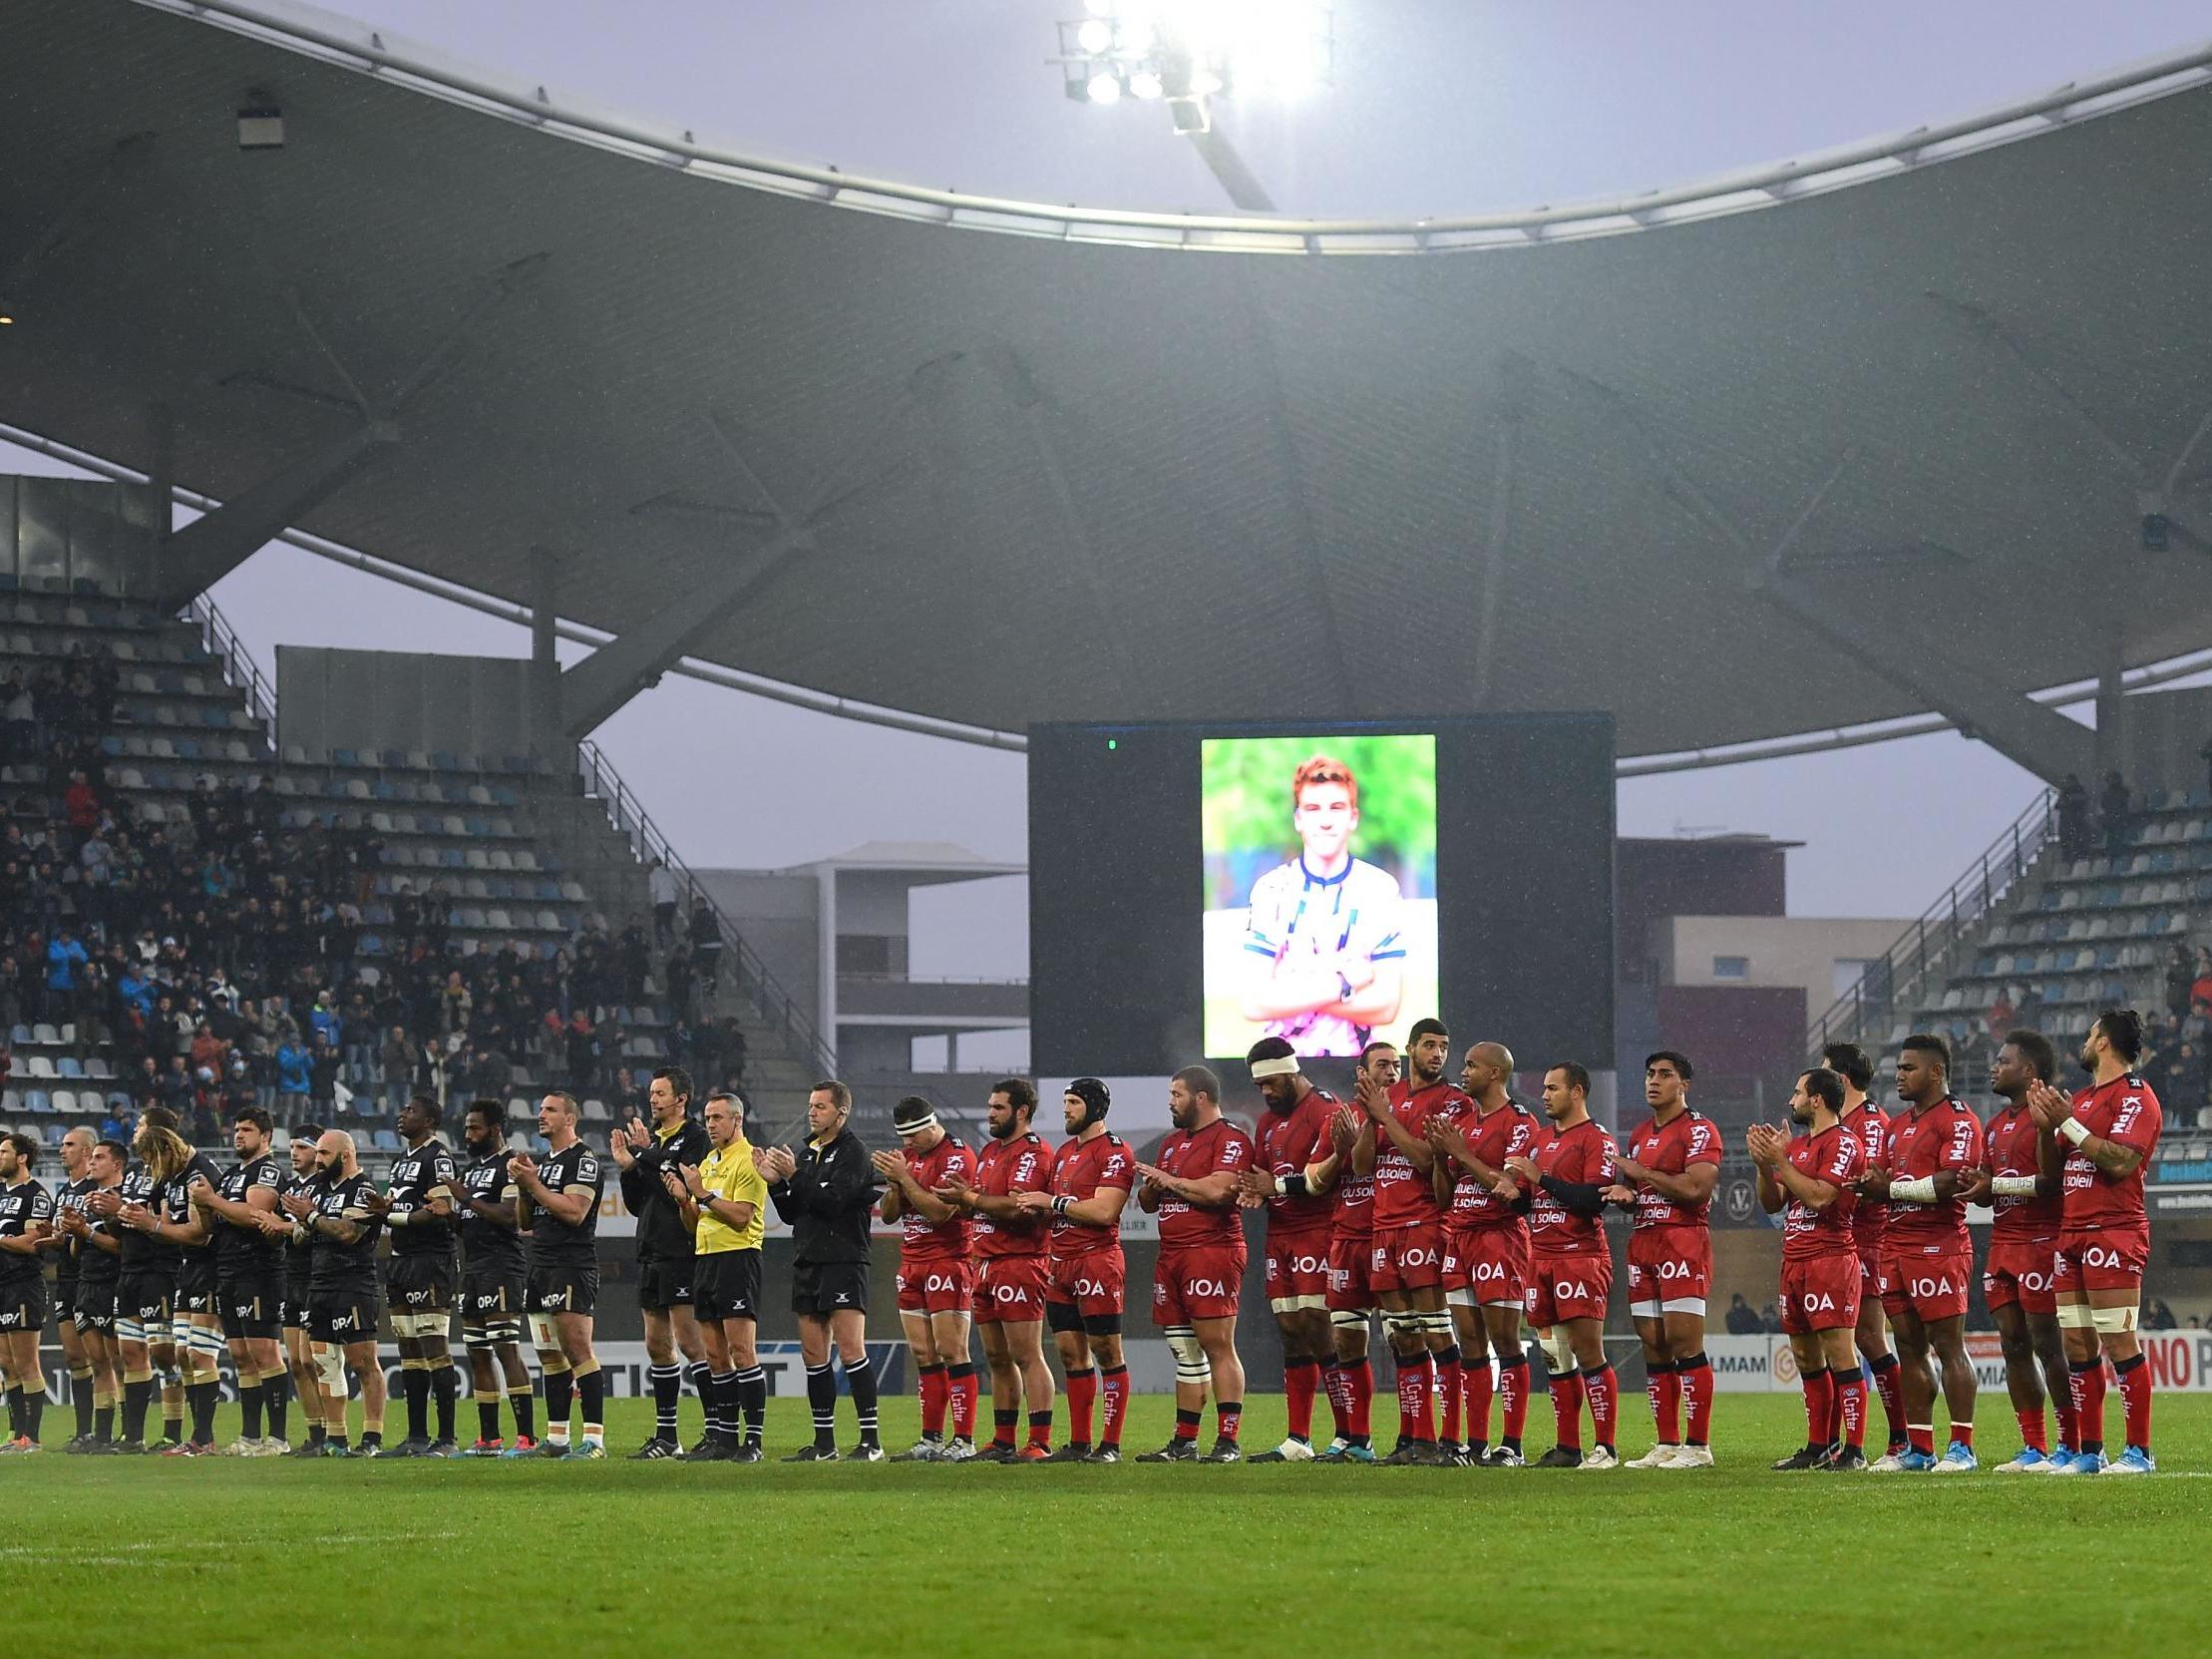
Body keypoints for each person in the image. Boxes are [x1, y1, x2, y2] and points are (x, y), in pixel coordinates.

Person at [2029, 1007, 2164, 1474]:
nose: (2084, 1043)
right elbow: (2053, 1173)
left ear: (2104, 1042)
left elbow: (2121, 1161)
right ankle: (2090, 1452)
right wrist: (2047, 1128)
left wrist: (2066, 1123)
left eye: (2090, 1035)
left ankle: (2139, 1453)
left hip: (2114, 1229)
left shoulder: (2135, 1096)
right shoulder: (2082, 1100)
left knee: (2119, 1341)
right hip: (2071, 1233)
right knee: (2077, 1346)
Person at [1235, 754, 1407, 1056]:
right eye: (1313, 809)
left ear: (1353, 817)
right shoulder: (1271, 889)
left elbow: (1386, 1006)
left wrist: (1292, 987)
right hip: (1283, 1071)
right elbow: (1253, 1002)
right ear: (1298, 819)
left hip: (1359, 1072)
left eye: (1336, 808)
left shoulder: (1380, 889)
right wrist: (1344, 980)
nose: (1325, 820)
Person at [1865, 1034, 1983, 1471]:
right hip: (1895, 1245)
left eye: (1908, 1068)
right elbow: (1877, 1180)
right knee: (1909, 1347)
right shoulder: (1897, 1127)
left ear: (1936, 1072)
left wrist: (1889, 1188)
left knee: (1949, 1345)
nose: (1898, 1075)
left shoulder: (1958, 1120)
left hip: (1939, 1245)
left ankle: (1962, 1447)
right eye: (1897, 1067)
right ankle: (1919, 1449)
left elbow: (1954, 1180)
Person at [1353, 1017, 1466, 1463]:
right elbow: (1363, 1166)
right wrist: (1370, 1119)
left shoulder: (1451, 1101)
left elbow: (1424, 1160)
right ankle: (1416, 1439)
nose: (1438, 1054)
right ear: (1410, 1049)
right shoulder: (1391, 1097)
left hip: (1423, 1224)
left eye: (1444, 1046)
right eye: (1430, 1045)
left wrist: (1384, 1118)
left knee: (1438, 1335)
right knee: (1403, 1338)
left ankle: (1451, 1440)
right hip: (1384, 1227)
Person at [1964, 1030, 2075, 1471]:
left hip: (2042, 1242)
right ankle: (2034, 1446)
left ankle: (2070, 1444)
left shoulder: (2049, 1114)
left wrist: (1995, 1184)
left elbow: (2051, 1185)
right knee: (2012, 1345)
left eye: (2003, 1060)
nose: (1994, 1066)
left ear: (2028, 1070)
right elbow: (1989, 1189)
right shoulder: (1995, 1126)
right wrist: (1975, 1186)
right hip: (2004, 1241)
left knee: (2049, 1345)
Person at [1235, 1037, 1348, 1462]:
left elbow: (1319, 1179)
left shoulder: (1326, 1110)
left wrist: (1272, 1186)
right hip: (1280, 1235)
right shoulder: (1267, 1122)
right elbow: (1262, 1174)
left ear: (1292, 1070)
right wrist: (1255, 1191)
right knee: (1291, 1335)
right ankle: (1298, 1439)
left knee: (1320, 1330)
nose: (1265, 1092)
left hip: (1318, 1231)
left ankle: (1349, 1435)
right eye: (1259, 1085)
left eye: (1271, 1082)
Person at [1133, 1064, 1254, 1462]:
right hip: (1172, 1253)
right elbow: (1153, 1203)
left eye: (1177, 1094)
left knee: (1217, 1345)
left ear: (1201, 1098)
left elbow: (1220, 1191)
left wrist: (1169, 1181)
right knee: (1184, 1348)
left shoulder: (1230, 1137)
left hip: (1212, 1250)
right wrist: (1153, 1188)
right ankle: (1184, 1442)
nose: (1171, 1101)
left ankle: (1228, 1441)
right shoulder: (1171, 1143)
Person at [1426, 1040, 1539, 1466]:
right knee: (1469, 1343)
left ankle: (1512, 1445)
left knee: (1505, 1340)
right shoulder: (1462, 1120)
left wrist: (1460, 1153)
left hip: (1499, 1237)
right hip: (1459, 1237)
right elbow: (1443, 1197)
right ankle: (1476, 1445)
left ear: (1495, 1073)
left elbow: (1508, 1188)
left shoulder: (1518, 1121)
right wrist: (1441, 1159)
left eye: (1472, 1065)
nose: (1464, 1071)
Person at [1502, 1061, 1620, 1469]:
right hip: (1543, 1257)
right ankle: (1568, 1447)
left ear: (1578, 1092)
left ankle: (1605, 1448)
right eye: (1545, 1087)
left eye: (1553, 1088)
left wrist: (1541, 1177)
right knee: (1554, 1354)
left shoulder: (1596, 1139)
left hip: (1580, 1256)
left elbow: (1593, 1199)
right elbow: (1527, 1200)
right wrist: (1510, 1192)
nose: (1546, 1095)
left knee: (1588, 1350)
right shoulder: (1539, 1140)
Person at [1749, 1067, 1869, 1469]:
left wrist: (1781, 1159)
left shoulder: (1845, 1143)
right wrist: (1765, 1166)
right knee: (1804, 1356)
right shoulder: (1799, 1146)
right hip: (1795, 1260)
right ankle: (1819, 1446)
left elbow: (1820, 1198)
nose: (1791, 1101)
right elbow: (1772, 1203)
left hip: (1831, 1258)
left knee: (1840, 1354)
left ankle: (1853, 1449)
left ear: (1817, 1099)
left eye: (1798, 1093)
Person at [762, 1079, 886, 1461]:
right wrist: (776, 1186)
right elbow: (792, 1212)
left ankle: (871, 1441)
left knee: (850, 1349)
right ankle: (824, 1443)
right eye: (811, 1105)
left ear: (841, 1113)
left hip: (844, 1259)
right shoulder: (807, 1153)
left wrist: (793, 1176)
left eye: (820, 1106)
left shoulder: (853, 1154)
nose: (812, 1112)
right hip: (808, 1259)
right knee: (813, 1353)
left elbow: (833, 1202)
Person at [1610, 1050, 1721, 1469]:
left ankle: (1699, 1446)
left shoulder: (1698, 1129)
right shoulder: (1640, 1133)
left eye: (1665, 1074)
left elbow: (1697, 1189)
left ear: (1684, 1085)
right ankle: (1667, 1442)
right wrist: (1627, 1196)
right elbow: (1637, 1191)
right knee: (1653, 1343)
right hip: (1643, 1242)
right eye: (1650, 1074)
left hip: (1682, 1241)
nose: (1653, 1081)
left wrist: (1641, 1174)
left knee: (1683, 1341)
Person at [934, 1078, 1055, 1462]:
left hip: (1020, 1262)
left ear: (1021, 1112)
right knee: (996, 1357)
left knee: (1027, 1355)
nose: (990, 1113)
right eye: (989, 1106)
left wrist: (971, 1198)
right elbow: (983, 1204)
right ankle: (1003, 1439)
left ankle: (1038, 1441)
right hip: (985, 1262)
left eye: (998, 1107)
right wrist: (962, 1199)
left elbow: (1018, 1209)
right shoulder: (989, 1151)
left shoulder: (1032, 1153)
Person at [1015, 1077, 1134, 1462]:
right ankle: (1080, 1443)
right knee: (1069, 1352)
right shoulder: (1064, 1151)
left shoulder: (1115, 1152)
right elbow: (1056, 1207)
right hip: (1060, 1264)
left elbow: (1103, 1211)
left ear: (1095, 1108)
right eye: (1065, 1102)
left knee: (1106, 1349)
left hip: (1097, 1261)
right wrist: (1040, 1209)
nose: (1065, 1109)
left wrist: (1054, 1201)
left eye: (1073, 1102)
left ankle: (1111, 1446)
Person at [609, 1065, 713, 1459]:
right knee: (657, 1345)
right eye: (651, 1093)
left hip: (681, 1249)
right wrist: (630, 1169)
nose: (652, 1099)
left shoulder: (695, 1138)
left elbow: (681, 1190)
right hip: (651, 1248)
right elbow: (639, 1203)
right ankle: (667, 1436)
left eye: (660, 1093)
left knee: (691, 1343)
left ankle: (715, 1430)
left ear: (681, 1100)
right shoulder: (655, 1142)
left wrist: (645, 1157)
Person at [873, 1095, 979, 1461]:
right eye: (902, 1137)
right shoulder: (912, 1158)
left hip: (948, 1261)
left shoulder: (957, 1157)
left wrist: (905, 1177)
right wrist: (894, 1184)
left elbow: (939, 1213)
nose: (906, 1144)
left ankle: (964, 1440)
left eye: (912, 1136)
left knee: (953, 1351)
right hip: (912, 1262)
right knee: (923, 1354)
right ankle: (931, 1439)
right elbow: (887, 1216)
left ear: (931, 1125)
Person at [667, 1089, 769, 1461]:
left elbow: (742, 1216)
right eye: (707, 1118)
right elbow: (694, 1225)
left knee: (742, 1351)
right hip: (706, 1259)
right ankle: (725, 1440)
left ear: (737, 1120)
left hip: (738, 1259)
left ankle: (753, 1442)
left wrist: (702, 1195)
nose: (710, 1125)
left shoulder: (750, 1160)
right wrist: (684, 1200)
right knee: (714, 1356)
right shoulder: (708, 1163)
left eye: (717, 1118)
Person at [507, 1091, 607, 1458]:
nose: (541, 1115)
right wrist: (523, 1187)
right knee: (549, 1355)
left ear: (570, 1118)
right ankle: (557, 1439)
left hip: (571, 1264)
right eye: (539, 1109)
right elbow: (524, 1222)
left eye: (550, 1110)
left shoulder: (584, 1160)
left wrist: (533, 1185)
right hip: (542, 1264)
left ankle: (594, 1441)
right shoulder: (544, 1164)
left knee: (577, 1350)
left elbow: (575, 1212)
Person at [277, 1130, 388, 1455]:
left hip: (353, 1284)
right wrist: (303, 1220)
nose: (318, 1159)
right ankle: (336, 1439)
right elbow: (299, 1237)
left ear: (346, 1155)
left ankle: (371, 1439)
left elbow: (349, 1233)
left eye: (324, 1153)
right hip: (319, 1283)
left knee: (363, 1362)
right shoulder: (319, 1189)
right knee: (323, 1363)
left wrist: (311, 1217)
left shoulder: (364, 1189)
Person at [361, 1095, 460, 1456]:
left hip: (430, 1260)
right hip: (401, 1260)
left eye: (411, 1111)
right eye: (402, 1110)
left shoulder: (439, 1156)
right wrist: (384, 1208)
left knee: (435, 1348)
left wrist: (388, 1217)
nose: (402, 1115)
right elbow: (404, 1206)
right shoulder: (402, 1160)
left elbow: (438, 1211)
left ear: (430, 1120)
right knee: (409, 1352)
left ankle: (446, 1439)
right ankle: (417, 1437)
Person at [188, 1106, 289, 1455]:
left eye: (246, 1129)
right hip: (227, 1269)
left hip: (258, 1270)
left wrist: (212, 1200)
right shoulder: (231, 1175)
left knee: (264, 1352)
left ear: (266, 1137)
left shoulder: (269, 1171)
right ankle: (249, 1436)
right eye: (236, 1129)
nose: (238, 1135)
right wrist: (201, 1205)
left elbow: (254, 1214)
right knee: (241, 1355)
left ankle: (277, 1438)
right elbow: (214, 1222)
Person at [1824, 1041, 1908, 1461]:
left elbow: (1871, 1178)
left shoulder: (1870, 1120)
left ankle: (1899, 1438)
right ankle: (1833, 1441)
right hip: (1837, 1241)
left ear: (1840, 1080)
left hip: (1866, 1241)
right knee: (1841, 1339)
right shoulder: (1838, 1122)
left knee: (1869, 1337)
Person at [1314, 1041, 1392, 1461]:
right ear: (1362, 1073)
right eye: (1383, 1064)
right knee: (1347, 1342)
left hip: (1395, 1237)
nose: (1392, 1071)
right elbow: (1316, 1179)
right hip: (1348, 1240)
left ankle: (1420, 1438)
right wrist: (1341, 1150)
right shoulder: (1340, 1119)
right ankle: (1357, 1439)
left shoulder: (1413, 1113)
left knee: (1409, 1340)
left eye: (1397, 1064)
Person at [453, 1101, 536, 1455]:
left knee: (505, 1349)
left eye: (475, 1128)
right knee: (477, 1352)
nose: (468, 1135)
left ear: (495, 1129)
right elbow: (466, 1223)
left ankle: (527, 1438)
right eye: (467, 1128)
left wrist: (466, 1199)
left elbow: (508, 1216)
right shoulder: (471, 1170)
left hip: (502, 1266)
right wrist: (448, 1214)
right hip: (472, 1268)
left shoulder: (512, 1165)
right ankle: (489, 1439)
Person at [57, 1138, 126, 1452]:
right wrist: (74, 1232)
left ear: (116, 1164)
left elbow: (122, 1247)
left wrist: (86, 1232)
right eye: (93, 1157)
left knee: (118, 1361)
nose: (93, 1163)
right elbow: (76, 1249)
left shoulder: (122, 1200)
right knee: (98, 1362)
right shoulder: (88, 1200)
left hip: (112, 1283)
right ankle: (101, 1434)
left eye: (99, 1157)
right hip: (85, 1282)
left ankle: (129, 1432)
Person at [42, 1126, 101, 1450]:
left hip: (90, 1279)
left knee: (102, 1358)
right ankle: (83, 1431)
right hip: (66, 1279)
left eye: (69, 1145)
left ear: (87, 1152)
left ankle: (109, 1430)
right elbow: (62, 1237)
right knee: (74, 1357)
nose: (61, 1149)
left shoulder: (96, 1189)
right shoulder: (65, 1191)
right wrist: (51, 1235)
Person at [274, 1120, 328, 1454]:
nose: (294, 1153)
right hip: (291, 1275)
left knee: (313, 1361)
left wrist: (278, 1226)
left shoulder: (325, 1187)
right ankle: (314, 1434)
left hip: (316, 1277)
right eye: (292, 1147)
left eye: (303, 1147)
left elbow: (309, 1232)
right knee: (295, 1361)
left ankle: (332, 1431)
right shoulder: (290, 1188)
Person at [0, 1132, 55, 1452]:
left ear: (21, 1158)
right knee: (7, 1364)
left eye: (4, 1151)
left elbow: (31, 1242)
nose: (0, 1156)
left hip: (23, 1283)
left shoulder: (36, 1196)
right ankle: (16, 1434)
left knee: (26, 1362)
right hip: (2, 1283)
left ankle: (31, 1437)